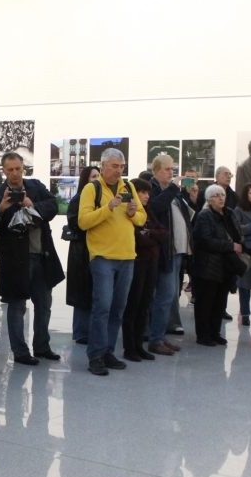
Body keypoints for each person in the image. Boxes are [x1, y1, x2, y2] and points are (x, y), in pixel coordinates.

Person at [0, 151, 64, 364]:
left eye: (18, 169)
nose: (15, 173)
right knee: (17, 306)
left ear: (23, 168)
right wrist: (1, 209)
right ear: (3, 171)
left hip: (41, 254)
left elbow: (53, 205)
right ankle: (20, 352)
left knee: (44, 304)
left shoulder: (35, 186)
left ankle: (42, 346)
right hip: (15, 259)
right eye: (10, 170)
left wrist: (32, 205)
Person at [78, 148, 146, 376]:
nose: (119, 170)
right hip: (102, 257)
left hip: (127, 257)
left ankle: (108, 351)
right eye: (115, 166)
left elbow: (142, 218)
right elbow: (83, 221)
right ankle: (96, 355)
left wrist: (133, 213)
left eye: (122, 167)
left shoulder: (129, 188)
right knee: (103, 307)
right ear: (103, 166)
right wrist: (108, 208)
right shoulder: (92, 188)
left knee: (118, 309)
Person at [147, 154, 193, 356]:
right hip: (163, 251)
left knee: (170, 296)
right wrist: (174, 188)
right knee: (164, 296)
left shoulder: (173, 192)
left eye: (172, 169)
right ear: (156, 170)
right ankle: (155, 339)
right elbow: (155, 208)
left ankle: (160, 336)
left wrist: (190, 198)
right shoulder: (152, 189)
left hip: (176, 251)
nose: (171, 172)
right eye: (167, 169)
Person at [191, 185, 244, 346]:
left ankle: (215, 333)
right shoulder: (204, 216)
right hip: (208, 266)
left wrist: (240, 245)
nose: (221, 198)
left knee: (220, 302)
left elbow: (237, 234)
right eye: (216, 195)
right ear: (209, 199)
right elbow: (205, 240)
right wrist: (230, 246)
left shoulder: (229, 213)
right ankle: (203, 335)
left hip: (226, 266)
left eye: (222, 194)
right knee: (205, 302)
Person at [122, 179, 166, 361]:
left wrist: (149, 233)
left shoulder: (148, 211)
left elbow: (163, 233)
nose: (146, 196)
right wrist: (150, 236)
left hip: (151, 263)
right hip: (137, 262)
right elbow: (138, 239)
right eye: (142, 192)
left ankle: (139, 345)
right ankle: (129, 347)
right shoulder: (128, 211)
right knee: (133, 305)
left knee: (145, 305)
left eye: (148, 193)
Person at [66, 166, 100, 344]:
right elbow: (75, 223)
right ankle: (81, 333)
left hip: (97, 251)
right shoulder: (78, 199)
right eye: (93, 176)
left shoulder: (100, 199)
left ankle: (91, 331)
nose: (97, 179)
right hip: (81, 252)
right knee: (82, 294)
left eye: (99, 176)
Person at [234, 183, 251, 326]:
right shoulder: (239, 210)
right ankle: (245, 313)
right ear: (246, 195)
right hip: (247, 252)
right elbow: (236, 228)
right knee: (244, 285)